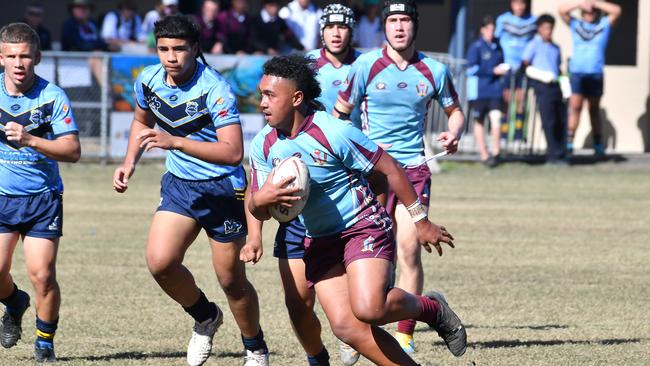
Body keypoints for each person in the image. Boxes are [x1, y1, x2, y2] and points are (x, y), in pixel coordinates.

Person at [249, 54, 467, 365]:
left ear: (297, 98)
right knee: (346, 327)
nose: (262, 103)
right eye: (262, 95)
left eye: (270, 95)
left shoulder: (334, 131)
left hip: (361, 227)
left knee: (369, 309)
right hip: (319, 239)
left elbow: (389, 169)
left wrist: (420, 220)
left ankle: (430, 308)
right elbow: (255, 206)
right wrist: (262, 198)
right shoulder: (263, 145)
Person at [111, 15, 269, 366]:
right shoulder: (148, 81)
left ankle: (255, 347)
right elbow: (141, 121)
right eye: (164, 49)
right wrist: (129, 161)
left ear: (195, 49)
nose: (170, 57)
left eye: (179, 49)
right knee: (160, 263)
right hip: (180, 186)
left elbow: (232, 152)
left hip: (222, 190)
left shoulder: (215, 88)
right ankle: (205, 317)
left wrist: (175, 142)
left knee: (231, 280)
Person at [334, 0, 465, 353]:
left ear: (414, 25)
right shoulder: (365, 65)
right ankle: (361, 328)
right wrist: (345, 154)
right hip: (370, 173)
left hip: (413, 171)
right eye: (393, 20)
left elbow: (455, 112)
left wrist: (454, 134)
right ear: (385, 27)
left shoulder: (433, 70)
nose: (399, 26)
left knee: (409, 250)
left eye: (405, 19)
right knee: (372, 253)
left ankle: (404, 336)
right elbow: (339, 115)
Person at [247, 6, 363, 365]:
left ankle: (354, 329)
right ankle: (318, 357)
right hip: (296, 212)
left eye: (343, 27)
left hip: (338, 201)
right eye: (330, 26)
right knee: (297, 304)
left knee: (353, 307)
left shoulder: (364, 66)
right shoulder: (302, 67)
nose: (337, 33)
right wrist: (254, 237)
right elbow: (255, 191)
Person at [0, 22, 81, 363]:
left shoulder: (52, 97)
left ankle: (44, 341)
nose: (19, 63)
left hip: (42, 199)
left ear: (38, 57)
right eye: (12, 56)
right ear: (1, 58)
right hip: (2, 197)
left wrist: (31, 139)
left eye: (26, 56)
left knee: (43, 275)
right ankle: (15, 302)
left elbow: (73, 150)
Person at [559, 0, 621, 156]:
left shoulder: (604, 25)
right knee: (575, 108)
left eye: (592, 12)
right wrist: (581, 3)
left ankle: (598, 144)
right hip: (578, 73)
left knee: (593, 109)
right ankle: (569, 142)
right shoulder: (576, 25)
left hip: (595, 73)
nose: (589, 14)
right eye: (587, 12)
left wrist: (595, 3)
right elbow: (561, 10)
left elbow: (617, 11)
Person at [522, 14, 567, 165]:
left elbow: (559, 68)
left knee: (561, 120)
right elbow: (526, 65)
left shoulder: (555, 47)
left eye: (550, 28)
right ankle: (552, 156)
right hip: (542, 85)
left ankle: (561, 153)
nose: (548, 31)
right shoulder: (533, 44)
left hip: (556, 86)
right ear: (539, 29)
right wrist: (541, 75)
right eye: (546, 28)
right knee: (549, 121)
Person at [466, 15, 507, 167]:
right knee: (480, 121)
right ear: (482, 30)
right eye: (488, 29)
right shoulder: (476, 47)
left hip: (495, 90)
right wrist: (491, 71)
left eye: (493, 29)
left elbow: (502, 64)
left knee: (496, 119)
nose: (491, 32)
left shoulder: (498, 47)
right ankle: (484, 154)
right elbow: (471, 69)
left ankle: (496, 153)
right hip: (479, 91)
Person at [495, 0, 537, 143]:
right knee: (506, 99)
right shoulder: (503, 19)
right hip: (507, 66)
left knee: (521, 99)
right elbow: (496, 41)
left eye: (523, 3)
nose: (520, 7)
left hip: (523, 67)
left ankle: (519, 134)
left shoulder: (533, 21)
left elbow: (535, 42)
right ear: (511, 4)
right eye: (516, 3)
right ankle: (504, 133)